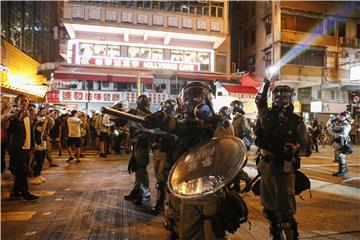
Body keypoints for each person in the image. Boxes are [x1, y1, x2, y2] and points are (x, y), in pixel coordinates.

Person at [144, 82, 240, 239]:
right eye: (188, 101)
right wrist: (162, 118)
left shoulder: (220, 123)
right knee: (185, 230)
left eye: (198, 99)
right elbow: (176, 126)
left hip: (210, 188)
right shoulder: (185, 124)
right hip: (186, 185)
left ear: (208, 101)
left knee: (213, 231)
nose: (193, 104)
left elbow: (226, 150)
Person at [254, 80, 311, 240]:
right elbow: (259, 99)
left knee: (286, 213)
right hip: (265, 165)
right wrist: (265, 82)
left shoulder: (296, 120)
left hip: (284, 168)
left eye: (284, 97)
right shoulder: (265, 114)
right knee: (269, 210)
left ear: (291, 98)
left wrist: (295, 150)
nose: (280, 99)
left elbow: (307, 148)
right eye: (277, 96)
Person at [7, 94, 39, 201]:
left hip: (26, 146)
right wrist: (20, 118)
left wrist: (32, 144)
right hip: (17, 147)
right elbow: (11, 129)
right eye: (22, 101)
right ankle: (25, 193)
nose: (25, 103)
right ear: (17, 102)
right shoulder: (13, 114)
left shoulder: (27, 114)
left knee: (21, 170)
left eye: (26, 101)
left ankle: (15, 191)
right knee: (22, 171)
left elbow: (29, 131)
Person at [124, 95, 152, 205]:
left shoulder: (148, 115)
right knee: (137, 168)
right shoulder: (135, 112)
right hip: (136, 143)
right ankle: (137, 191)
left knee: (141, 169)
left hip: (143, 143)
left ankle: (145, 194)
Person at [150, 99, 177, 215]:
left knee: (162, 179)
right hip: (158, 150)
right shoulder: (160, 119)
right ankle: (162, 202)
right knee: (159, 178)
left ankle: (162, 204)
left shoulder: (177, 121)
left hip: (168, 152)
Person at [328, 111, 352, 176]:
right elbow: (334, 129)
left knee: (340, 155)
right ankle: (344, 169)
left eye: (342, 116)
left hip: (343, 141)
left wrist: (333, 131)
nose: (341, 117)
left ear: (345, 116)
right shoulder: (340, 123)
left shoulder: (346, 124)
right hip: (338, 140)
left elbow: (342, 133)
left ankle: (342, 171)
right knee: (338, 154)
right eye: (340, 115)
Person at [30, 114, 49, 185]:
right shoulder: (37, 126)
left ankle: (38, 175)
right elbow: (42, 130)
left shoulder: (39, 125)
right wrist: (45, 121)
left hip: (42, 146)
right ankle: (35, 176)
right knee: (39, 161)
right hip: (38, 146)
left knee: (42, 161)